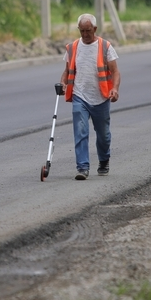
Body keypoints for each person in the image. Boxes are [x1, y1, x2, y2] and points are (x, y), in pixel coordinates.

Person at [59, 13, 121, 180]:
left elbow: (115, 72)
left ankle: (103, 159)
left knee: (104, 135)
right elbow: (66, 71)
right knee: (80, 130)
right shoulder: (72, 48)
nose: (85, 34)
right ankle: (82, 167)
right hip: (80, 96)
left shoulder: (105, 47)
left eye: (88, 31)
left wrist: (114, 89)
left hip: (101, 98)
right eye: (82, 31)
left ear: (95, 29)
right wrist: (63, 83)